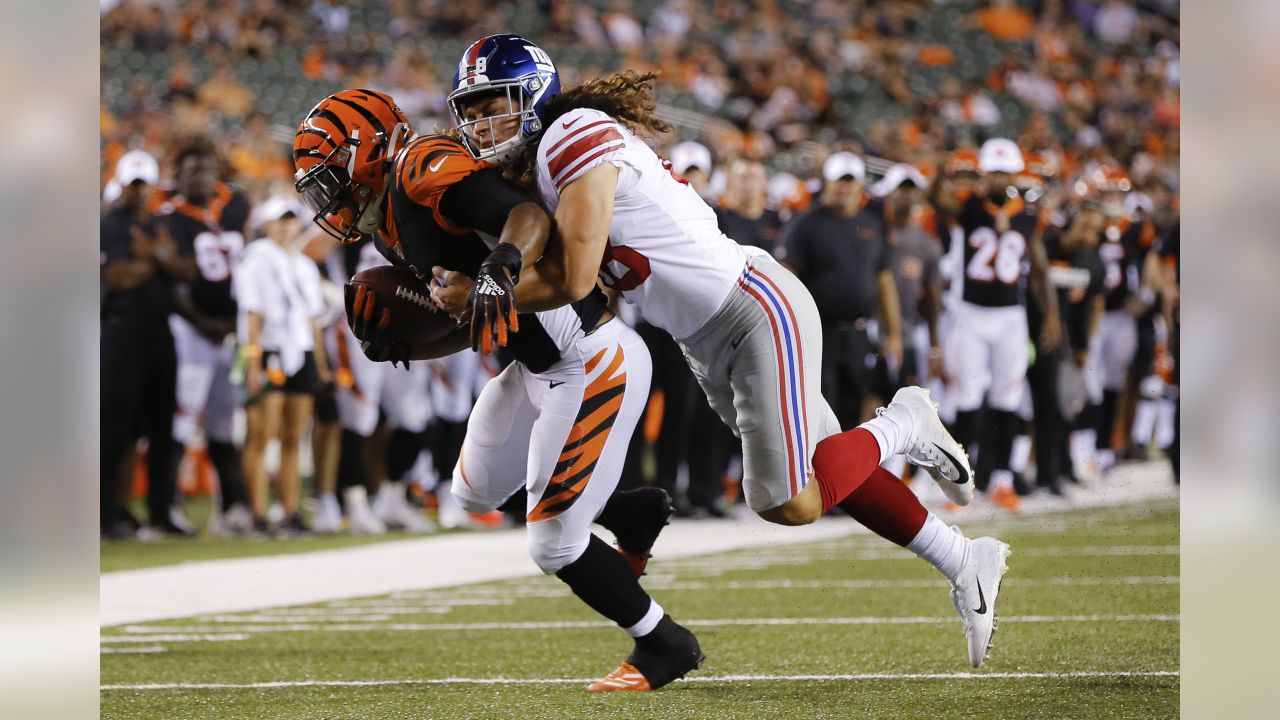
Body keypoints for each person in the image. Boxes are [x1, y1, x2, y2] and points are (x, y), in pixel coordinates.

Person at [447, 34, 1006, 688]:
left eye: (500, 105)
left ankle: (905, 423)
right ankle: (964, 558)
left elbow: (574, 280)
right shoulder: (543, 168)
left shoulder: (570, 134)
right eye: (475, 110)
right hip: (705, 336)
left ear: (536, 99)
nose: (486, 123)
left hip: (752, 308)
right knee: (827, 466)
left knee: (787, 501)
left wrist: (484, 291)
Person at [292, 88, 685, 689]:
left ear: (364, 151)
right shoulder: (388, 232)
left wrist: (499, 268)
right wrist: (406, 344)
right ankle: (624, 512)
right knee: (473, 495)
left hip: (592, 357)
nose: (329, 199)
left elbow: (525, 218)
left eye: (329, 180)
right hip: (533, 368)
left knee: (553, 546)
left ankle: (664, 644)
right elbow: (476, 320)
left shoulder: (420, 164)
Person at [929, 138, 1060, 511]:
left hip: (1010, 317)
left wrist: (1050, 313)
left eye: (1005, 171)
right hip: (971, 315)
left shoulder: (1027, 215)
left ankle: (1002, 479)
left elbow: (1038, 267)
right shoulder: (968, 205)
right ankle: (961, 484)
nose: (999, 178)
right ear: (984, 173)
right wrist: (942, 169)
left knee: (1007, 399)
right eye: (994, 171)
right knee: (967, 398)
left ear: (1015, 173)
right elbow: (938, 199)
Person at [156, 136, 253, 533]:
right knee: (182, 420)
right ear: (178, 175)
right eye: (193, 170)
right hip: (191, 331)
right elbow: (172, 284)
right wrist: (205, 324)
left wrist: (236, 323)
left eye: (207, 169)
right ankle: (168, 507)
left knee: (223, 424)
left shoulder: (235, 204)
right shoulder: (168, 216)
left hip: (230, 334)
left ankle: (232, 507)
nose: (201, 177)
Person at [100, 150, 196, 538]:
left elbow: (187, 270)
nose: (140, 191)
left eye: (145, 184)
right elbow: (117, 277)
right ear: (123, 185)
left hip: (161, 331)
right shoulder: (107, 225)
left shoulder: (163, 224)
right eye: (134, 184)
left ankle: (161, 512)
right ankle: (106, 514)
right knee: (115, 428)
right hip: (122, 332)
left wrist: (153, 256)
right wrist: (161, 261)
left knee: (162, 428)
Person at [232, 195, 332, 534]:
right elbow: (252, 313)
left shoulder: (303, 265)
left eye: (291, 220)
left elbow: (313, 318)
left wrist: (319, 361)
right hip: (270, 350)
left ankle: (290, 511)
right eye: (280, 220)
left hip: (300, 351)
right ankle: (258, 514)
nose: (287, 227)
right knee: (262, 436)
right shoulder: (256, 261)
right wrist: (253, 362)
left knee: (293, 436)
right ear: (266, 224)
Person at [783, 150, 904, 429]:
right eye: (839, 180)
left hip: (858, 335)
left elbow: (884, 281)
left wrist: (894, 334)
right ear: (827, 181)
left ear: (861, 185)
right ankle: (813, 473)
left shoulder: (873, 226)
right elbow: (786, 277)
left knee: (851, 413)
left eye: (851, 181)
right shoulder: (806, 224)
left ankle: (839, 474)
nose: (844, 187)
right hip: (818, 333)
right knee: (818, 412)